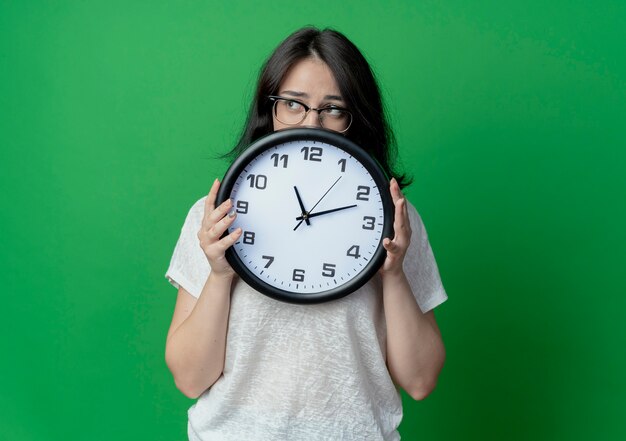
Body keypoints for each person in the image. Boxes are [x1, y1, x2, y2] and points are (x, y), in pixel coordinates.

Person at [165, 27, 448, 440]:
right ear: (270, 109)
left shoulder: (394, 219)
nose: (311, 123)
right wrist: (220, 272)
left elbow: (421, 380)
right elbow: (190, 378)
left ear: (356, 120)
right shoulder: (214, 217)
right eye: (294, 104)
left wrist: (395, 272)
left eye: (333, 109)